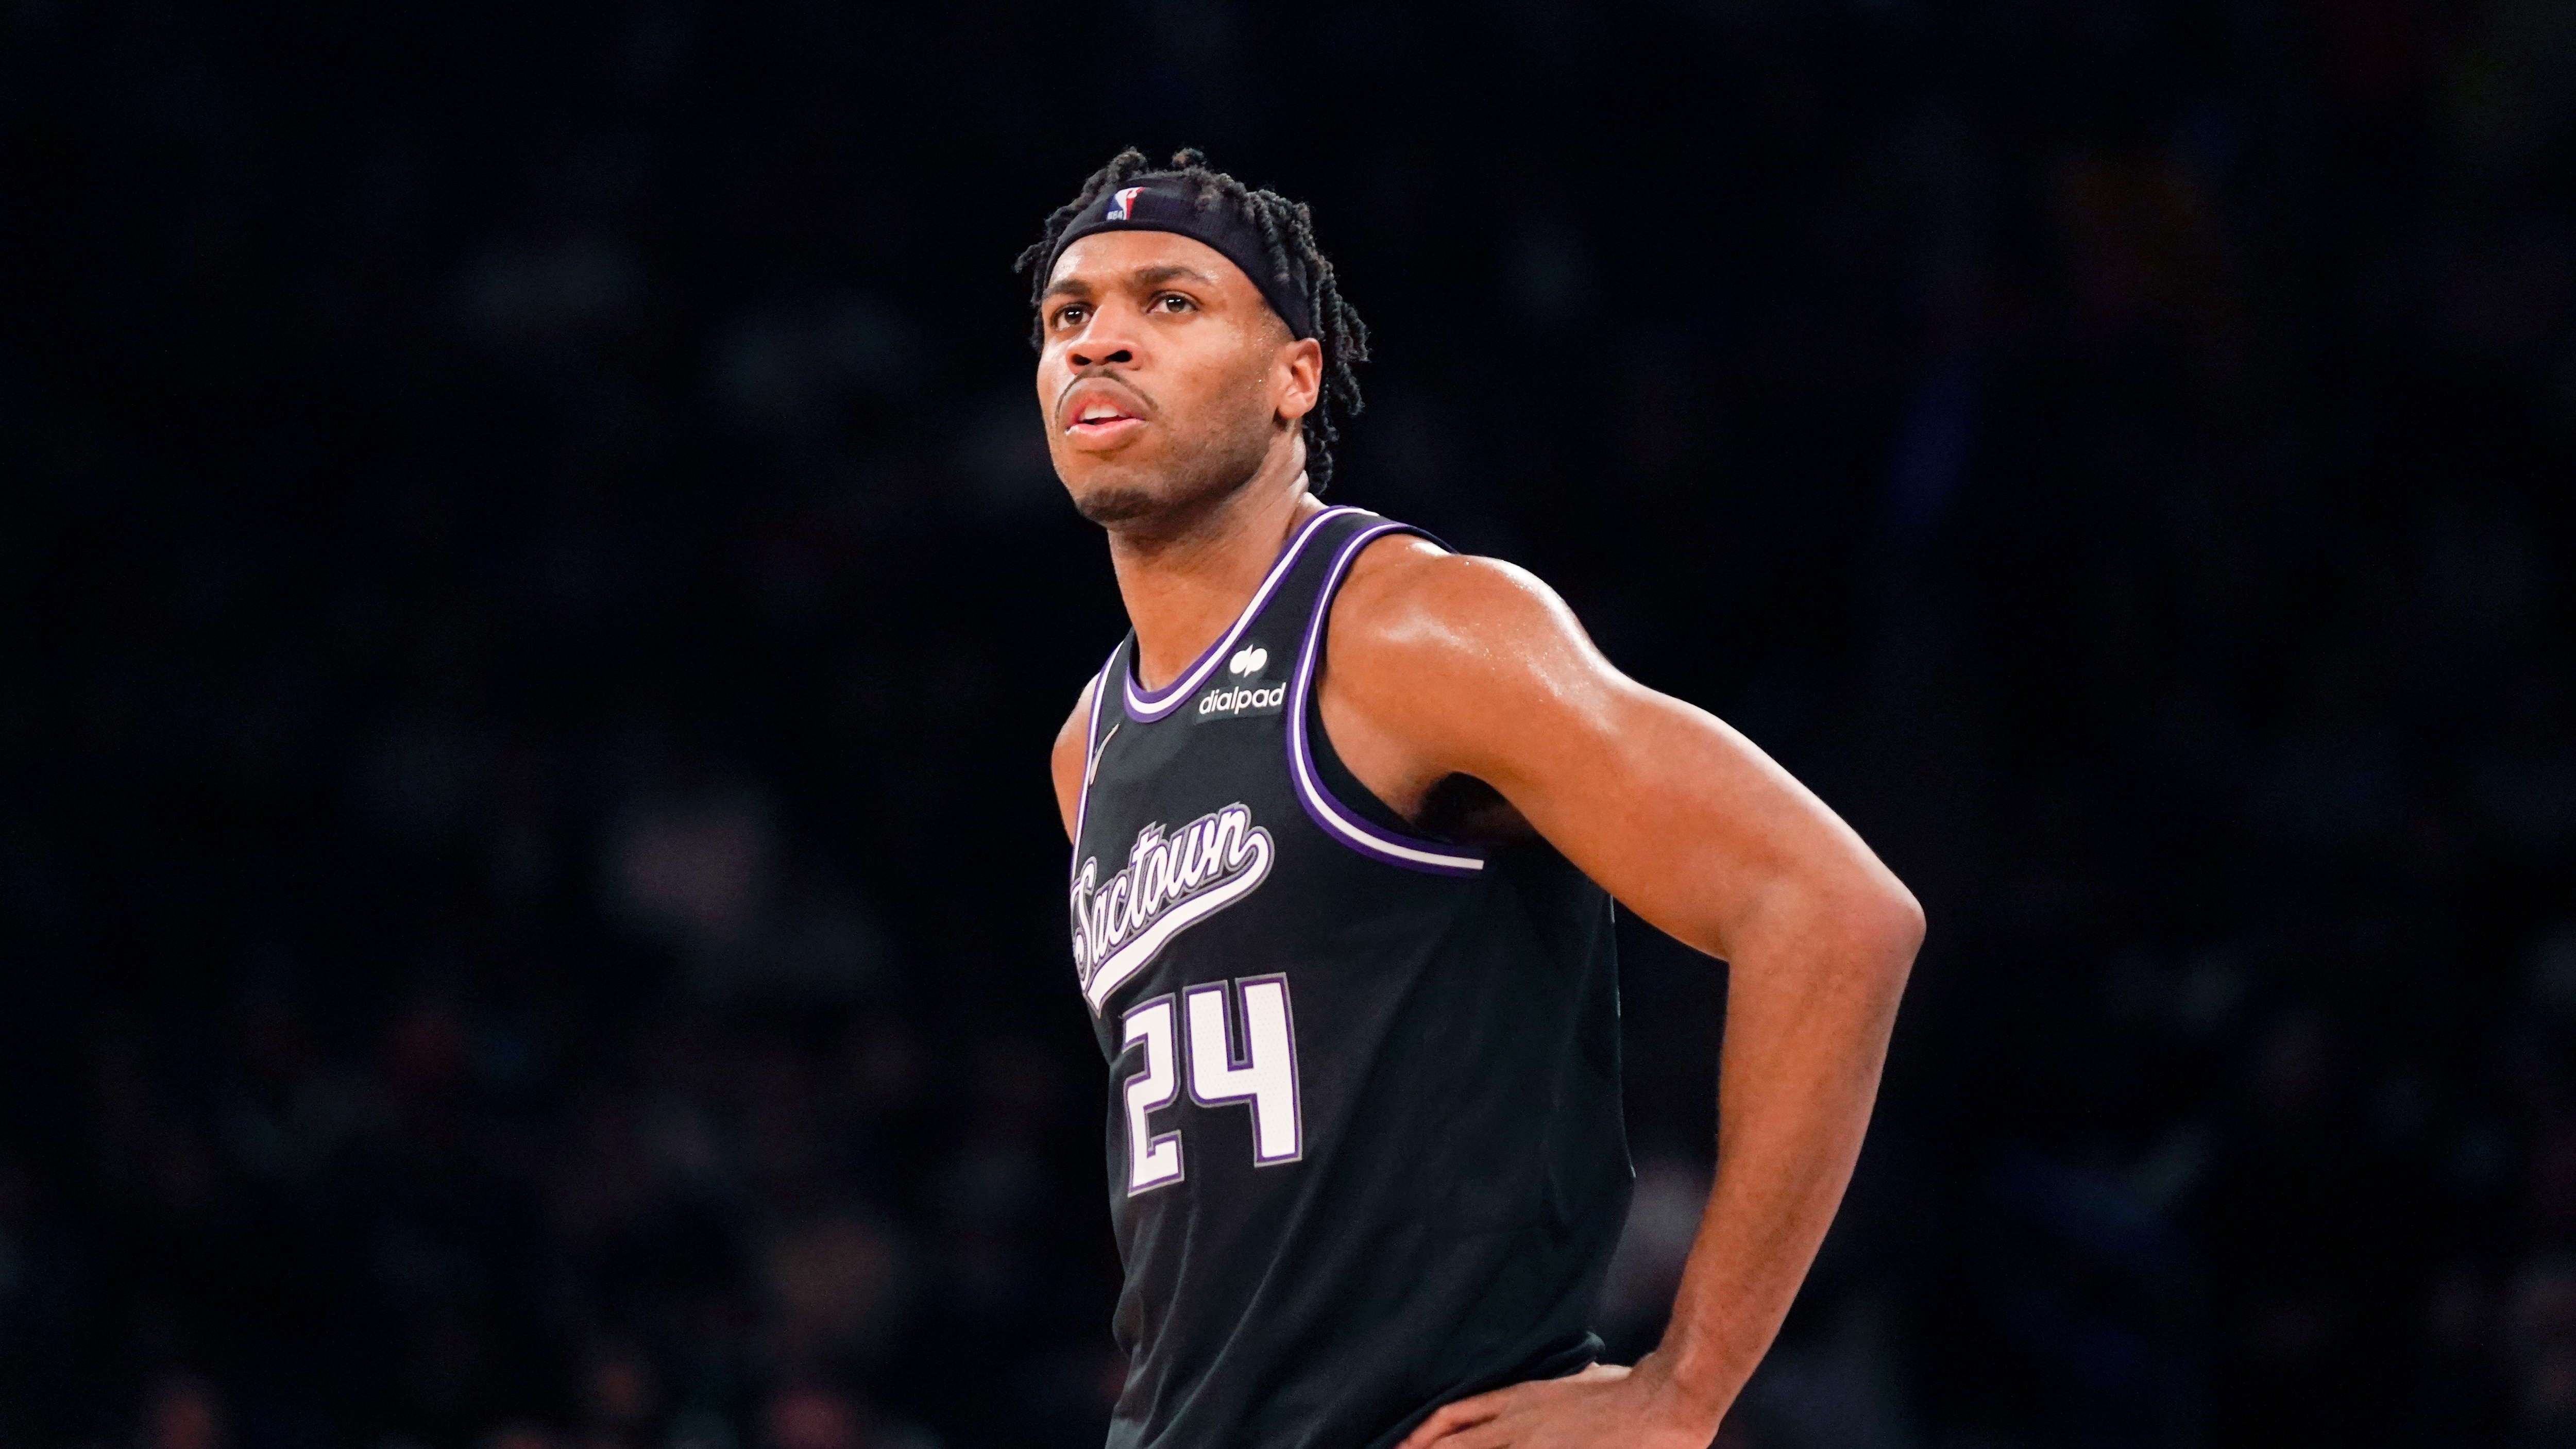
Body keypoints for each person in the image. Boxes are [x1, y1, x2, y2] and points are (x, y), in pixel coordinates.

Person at [1032, 148, 1923, 1449]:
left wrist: (1685, 1385)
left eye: (1171, 302)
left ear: (1296, 378)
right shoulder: (1088, 745)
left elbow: (1838, 911)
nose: (1102, 340)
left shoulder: (1409, 629)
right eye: (1070, 314)